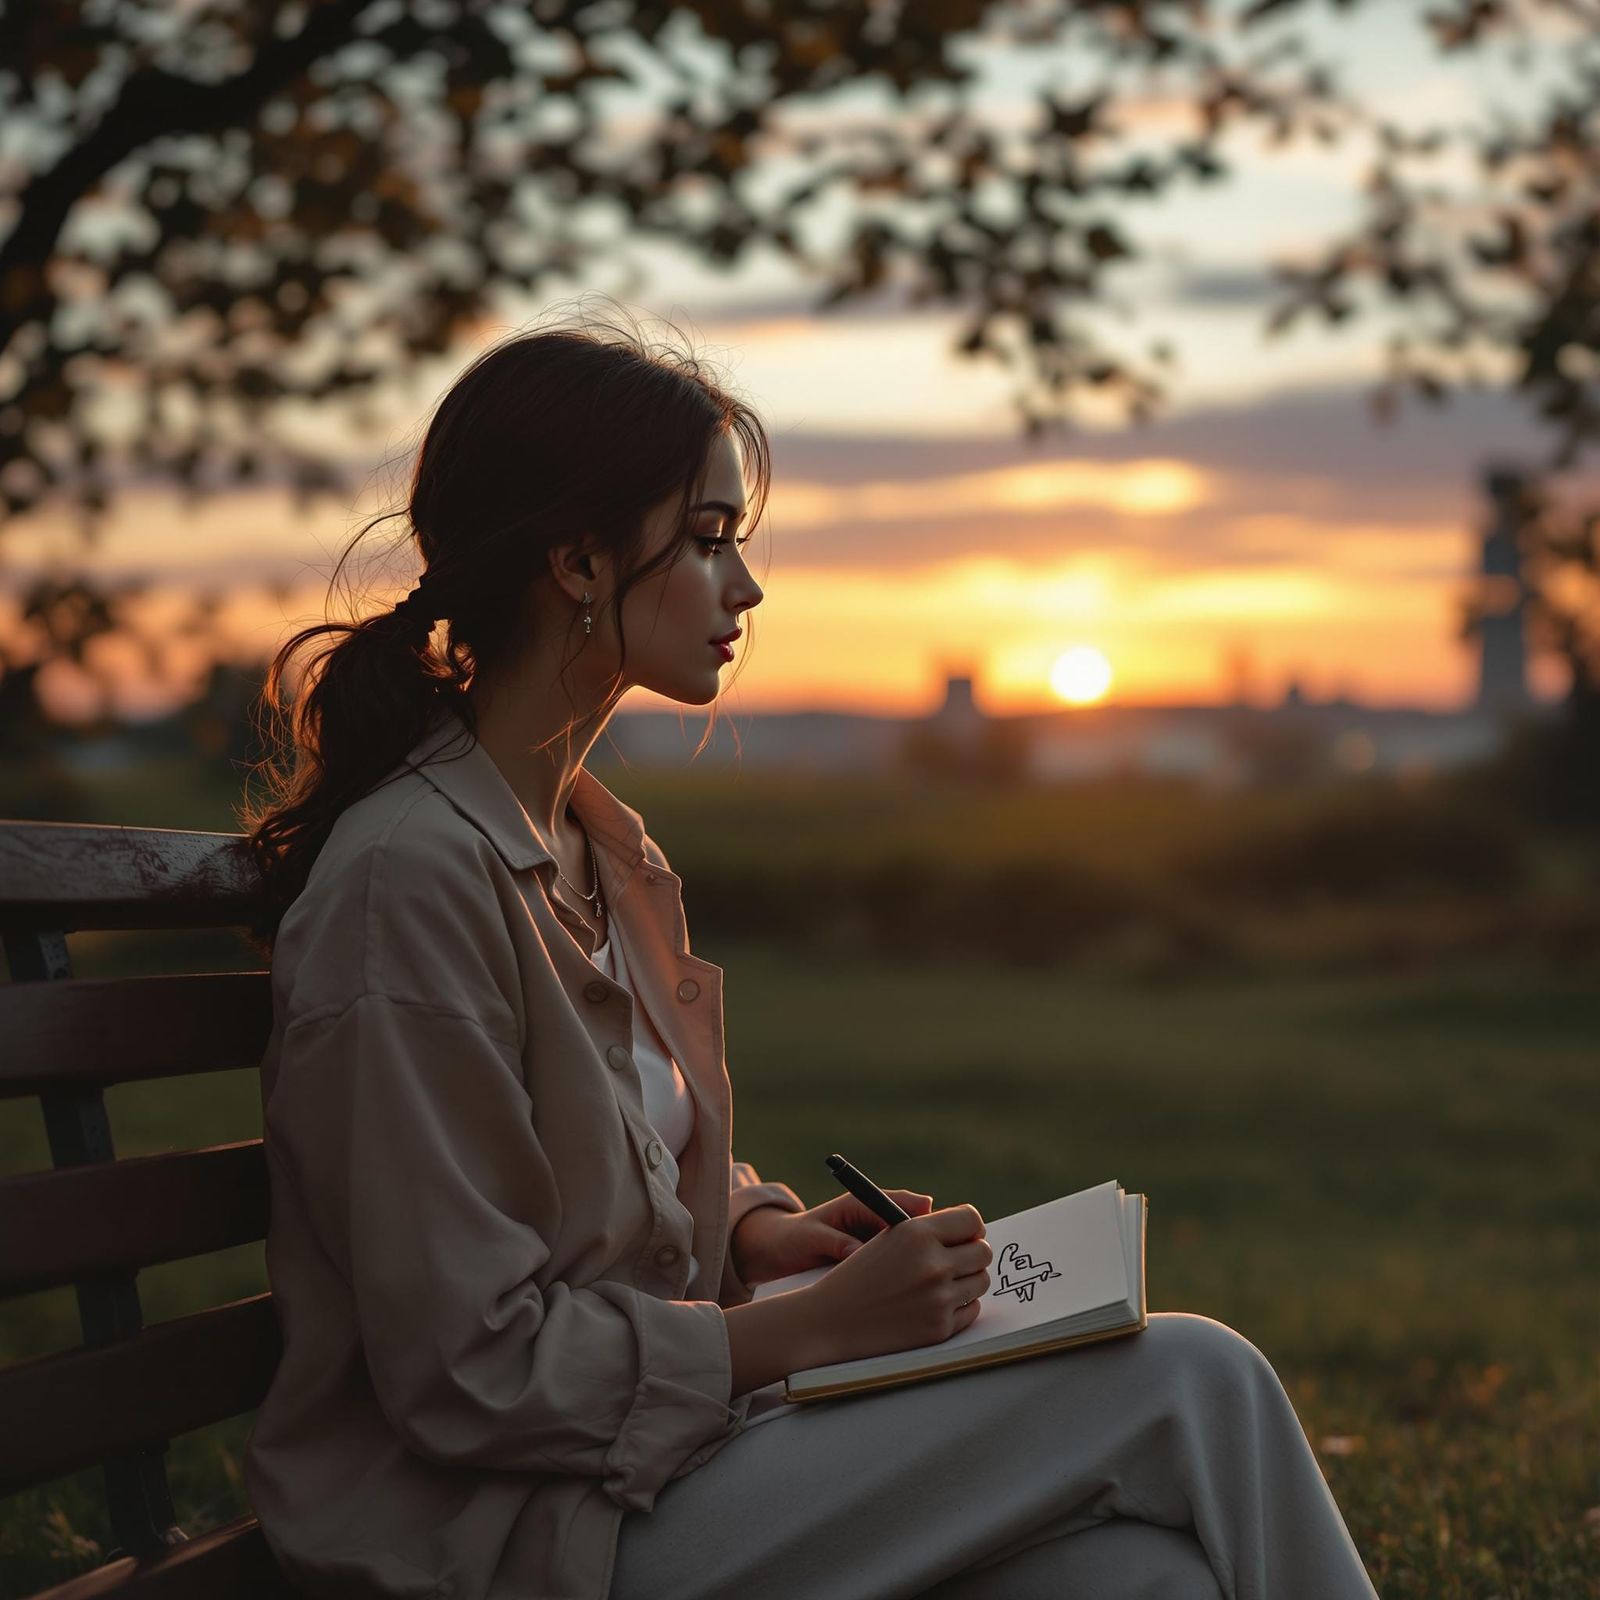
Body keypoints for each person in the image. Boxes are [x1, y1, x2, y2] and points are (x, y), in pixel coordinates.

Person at [239, 300, 1382, 1600]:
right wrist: (808, 1331)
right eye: (712, 537)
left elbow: (597, 1185)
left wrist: (755, 1235)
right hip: (510, 1536)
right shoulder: (410, 883)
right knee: (1196, 1379)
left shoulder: (599, 853)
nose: (750, 585)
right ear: (578, 562)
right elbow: (467, 1371)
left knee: (1137, 1582)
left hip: (655, 1469)